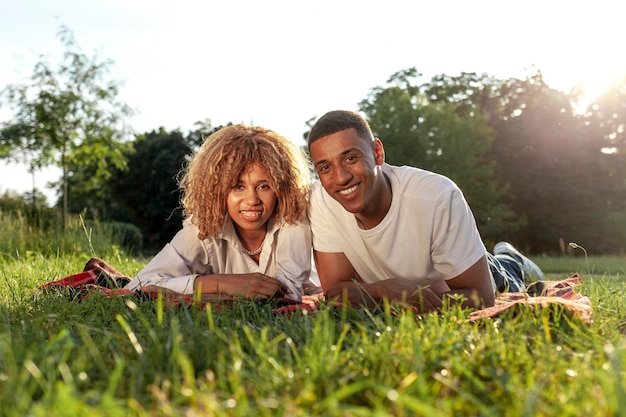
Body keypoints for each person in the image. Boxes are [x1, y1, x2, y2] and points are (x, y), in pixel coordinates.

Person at [306, 110, 544, 312]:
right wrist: (383, 290)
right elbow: (336, 293)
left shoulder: (436, 196)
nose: (341, 178)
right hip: (430, 283)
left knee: (507, 278)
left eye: (350, 158)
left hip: (470, 274)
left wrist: (415, 298)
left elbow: (482, 298)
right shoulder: (322, 200)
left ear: (377, 153)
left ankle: (514, 260)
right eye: (325, 167)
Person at [125, 124, 318, 302]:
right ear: (217, 189)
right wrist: (218, 283)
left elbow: (287, 294)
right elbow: (139, 286)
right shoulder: (204, 226)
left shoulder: (293, 217)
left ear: (280, 187)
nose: (252, 200)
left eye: (264, 186)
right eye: (237, 186)